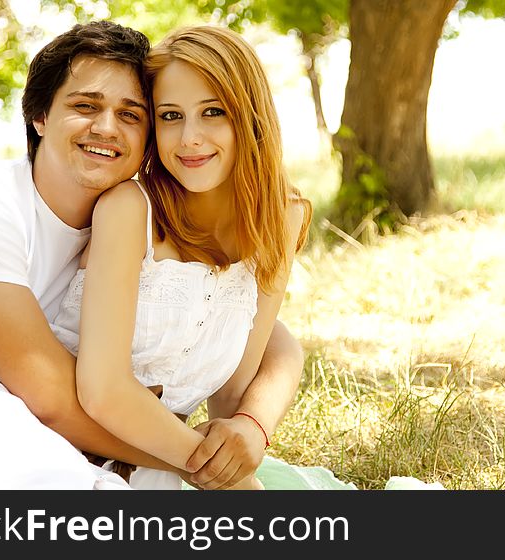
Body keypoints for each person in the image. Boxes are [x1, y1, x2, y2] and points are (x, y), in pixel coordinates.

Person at [0, 21, 303, 489]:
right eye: (85, 106)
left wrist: (252, 424)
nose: (107, 128)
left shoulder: (129, 217)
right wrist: (212, 468)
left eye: (132, 114)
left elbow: (258, 333)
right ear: (40, 116)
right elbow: (51, 396)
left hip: (113, 446)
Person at [50, 25, 312, 490]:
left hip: (164, 464)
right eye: (170, 116)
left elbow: (234, 388)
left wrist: (250, 429)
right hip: (55, 444)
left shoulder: (282, 217)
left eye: (213, 112)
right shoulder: (130, 210)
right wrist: (223, 477)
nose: (189, 138)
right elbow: (104, 390)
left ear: (250, 117)